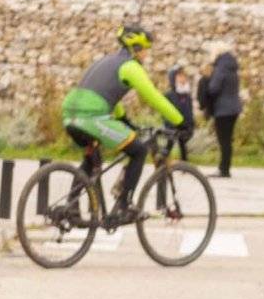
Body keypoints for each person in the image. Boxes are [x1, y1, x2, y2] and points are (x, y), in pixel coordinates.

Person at [59, 23, 187, 211]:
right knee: (139, 150)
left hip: (70, 114)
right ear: (135, 49)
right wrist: (180, 121)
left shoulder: (106, 61)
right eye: (145, 50)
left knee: (91, 159)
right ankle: (124, 204)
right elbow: (154, 97)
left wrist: (124, 120)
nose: (146, 55)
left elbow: (107, 95)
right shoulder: (130, 67)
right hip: (90, 117)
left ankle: (71, 207)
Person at [199, 42, 243, 176]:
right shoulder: (232, 67)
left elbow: (214, 88)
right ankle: (225, 167)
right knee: (228, 140)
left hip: (223, 109)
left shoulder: (220, 68)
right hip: (234, 107)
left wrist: (206, 82)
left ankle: (223, 169)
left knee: (223, 140)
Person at [164, 60, 200, 161]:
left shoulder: (186, 94)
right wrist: (169, 124)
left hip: (184, 124)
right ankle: (162, 162)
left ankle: (184, 163)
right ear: (173, 78)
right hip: (173, 125)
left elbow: (189, 110)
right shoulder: (169, 95)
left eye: (184, 76)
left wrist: (191, 124)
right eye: (179, 76)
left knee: (183, 143)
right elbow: (165, 112)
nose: (183, 79)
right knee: (169, 144)